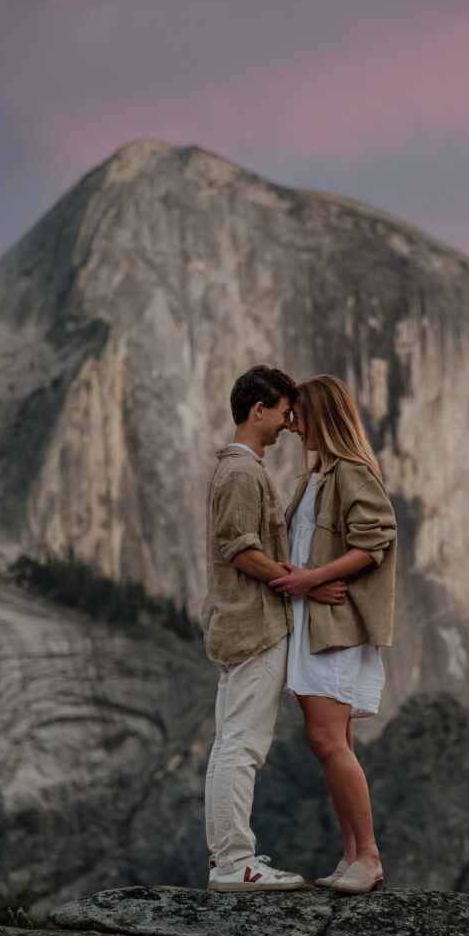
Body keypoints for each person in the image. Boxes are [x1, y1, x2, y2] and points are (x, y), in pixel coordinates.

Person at [202, 365, 347, 892]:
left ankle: (227, 857)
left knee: (230, 745)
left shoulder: (237, 469)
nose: (291, 424)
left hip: (239, 625)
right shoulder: (243, 473)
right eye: (286, 413)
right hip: (255, 627)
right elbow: (239, 549)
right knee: (242, 746)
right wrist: (306, 583)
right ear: (257, 410)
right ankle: (234, 862)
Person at [270, 374, 396, 894]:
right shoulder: (315, 478)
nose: (294, 425)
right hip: (313, 624)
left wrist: (313, 580)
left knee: (326, 739)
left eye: (301, 414)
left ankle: (367, 857)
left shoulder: (351, 473)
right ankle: (351, 858)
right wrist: (304, 581)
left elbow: (375, 540)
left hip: (336, 631)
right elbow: (307, 555)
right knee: (332, 741)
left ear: (325, 415)